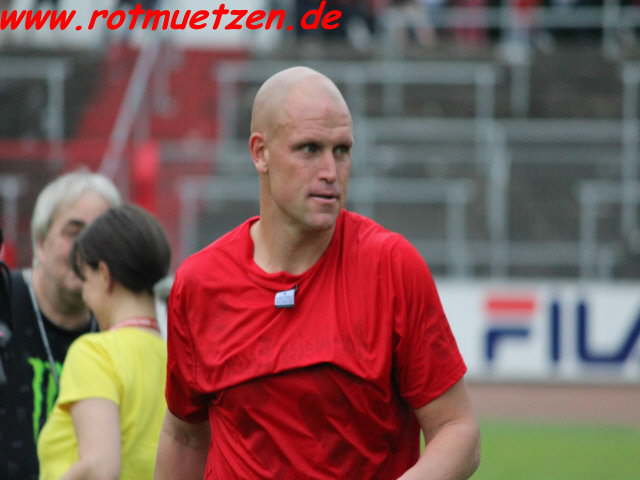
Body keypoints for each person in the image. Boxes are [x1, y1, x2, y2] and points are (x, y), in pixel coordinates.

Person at [155, 66, 480, 479]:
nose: (330, 171)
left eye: (341, 150)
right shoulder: (199, 282)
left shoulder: (392, 267)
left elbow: (457, 429)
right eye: (309, 149)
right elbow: (185, 435)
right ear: (260, 153)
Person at [0, 170, 121, 479]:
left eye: (100, 235)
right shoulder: (5, 300)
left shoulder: (122, 326)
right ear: (41, 242)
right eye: (74, 232)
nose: (87, 249)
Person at [37, 204, 171, 480]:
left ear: (105, 275)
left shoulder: (95, 353)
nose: (85, 297)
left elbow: (99, 468)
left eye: (86, 280)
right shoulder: (176, 358)